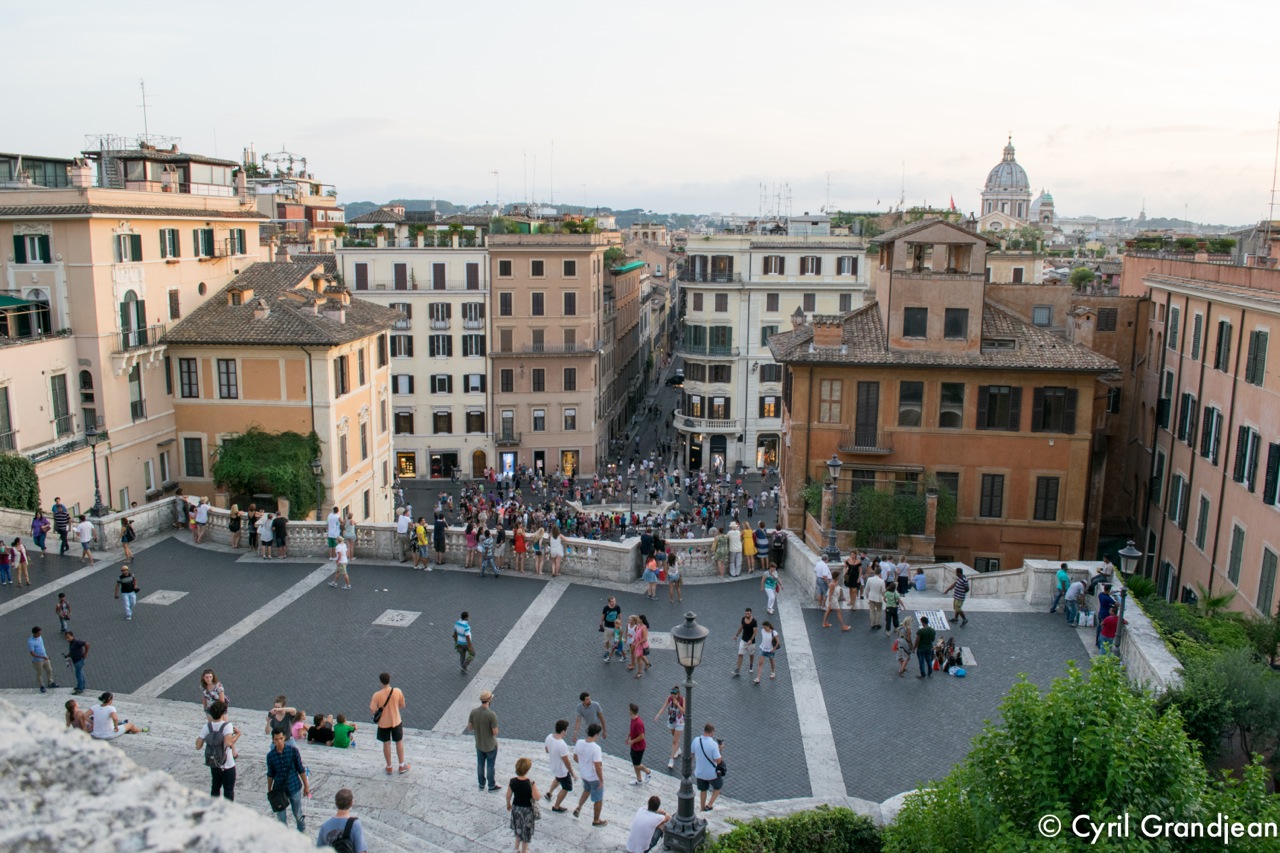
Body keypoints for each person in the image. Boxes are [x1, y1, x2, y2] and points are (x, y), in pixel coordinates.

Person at [196, 699, 240, 801]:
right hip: (227, 764)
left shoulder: (207, 726)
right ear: (223, 713)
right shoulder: (227, 726)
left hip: (214, 762)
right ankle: (227, 813)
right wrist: (238, 734)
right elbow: (229, 742)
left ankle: (213, 809)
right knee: (228, 790)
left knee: (215, 788)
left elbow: (198, 746)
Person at [265, 729, 309, 832]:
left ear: (284, 738)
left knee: (298, 814)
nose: (279, 741)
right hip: (279, 789)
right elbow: (270, 773)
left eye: (281, 738)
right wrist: (269, 789)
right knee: (281, 818)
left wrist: (306, 786)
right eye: (276, 739)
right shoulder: (271, 756)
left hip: (294, 786)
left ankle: (302, 831)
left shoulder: (293, 751)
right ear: (273, 740)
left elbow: (300, 769)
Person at [370, 672, 409, 775]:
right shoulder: (397, 691)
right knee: (399, 742)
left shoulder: (377, 695)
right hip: (396, 721)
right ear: (389, 680)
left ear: (380, 681)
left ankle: (389, 766)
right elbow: (402, 705)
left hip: (383, 723)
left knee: (386, 744)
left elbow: (373, 710)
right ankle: (401, 765)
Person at [572, 723, 607, 826]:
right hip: (594, 778)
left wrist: (584, 764)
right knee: (598, 799)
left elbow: (575, 758)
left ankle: (579, 807)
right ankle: (596, 820)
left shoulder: (579, 742)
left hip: (584, 775)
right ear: (596, 734)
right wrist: (601, 780)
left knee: (586, 790)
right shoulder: (596, 748)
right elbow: (598, 767)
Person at [505, 757, 541, 853]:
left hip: (516, 808)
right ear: (527, 770)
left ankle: (516, 847)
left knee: (518, 828)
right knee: (526, 831)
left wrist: (508, 804)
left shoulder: (512, 781)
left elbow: (508, 795)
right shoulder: (530, 783)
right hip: (527, 810)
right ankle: (524, 851)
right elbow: (537, 797)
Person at [466, 689, 500, 791]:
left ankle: (481, 783)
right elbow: (495, 732)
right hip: (490, 745)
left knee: (480, 765)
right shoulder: (491, 714)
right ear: (489, 700)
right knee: (490, 766)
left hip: (479, 744)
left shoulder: (474, 712)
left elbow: (469, 728)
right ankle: (491, 785)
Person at [316, 788, 367, 852]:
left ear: (336, 803)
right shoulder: (355, 825)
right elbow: (361, 850)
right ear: (351, 803)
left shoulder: (325, 825)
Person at [543, 719, 575, 812]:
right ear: (564, 731)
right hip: (562, 770)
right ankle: (556, 806)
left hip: (554, 766)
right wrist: (572, 772)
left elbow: (547, 750)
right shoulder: (562, 744)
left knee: (557, 778)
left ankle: (549, 793)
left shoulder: (549, 737)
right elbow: (566, 761)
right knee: (566, 787)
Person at [692, 724, 724, 812]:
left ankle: (702, 808)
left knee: (703, 790)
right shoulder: (713, 744)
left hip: (699, 772)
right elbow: (718, 760)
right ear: (712, 731)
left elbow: (692, 754)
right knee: (718, 787)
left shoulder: (696, 740)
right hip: (711, 774)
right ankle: (709, 805)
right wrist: (720, 749)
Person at [625, 703, 652, 785]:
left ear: (631, 711)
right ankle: (639, 780)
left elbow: (642, 736)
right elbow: (632, 730)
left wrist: (632, 741)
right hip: (634, 746)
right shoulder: (633, 719)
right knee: (635, 763)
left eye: (629, 709)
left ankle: (648, 771)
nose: (628, 711)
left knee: (637, 765)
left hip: (639, 747)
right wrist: (628, 736)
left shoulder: (638, 723)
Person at [29, 626, 58, 693]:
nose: (40, 634)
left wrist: (44, 656)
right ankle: (41, 686)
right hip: (38, 660)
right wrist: (41, 657)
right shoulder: (30, 642)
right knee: (40, 673)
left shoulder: (40, 637)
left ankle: (50, 682)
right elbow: (32, 653)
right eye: (39, 633)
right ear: (35, 633)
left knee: (49, 670)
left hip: (45, 657)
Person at [732, 608, 758, 677]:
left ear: (751, 613)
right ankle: (738, 669)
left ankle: (751, 665)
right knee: (740, 654)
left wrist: (751, 640)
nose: (747, 615)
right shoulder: (743, 619)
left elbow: (755, 632)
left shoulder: (754, 621)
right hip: (743, 640)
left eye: (748, 613)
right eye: (746, 613)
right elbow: (741, 627)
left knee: (751, 654)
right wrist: (737, 635)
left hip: (751, 642)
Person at [65, 630, 89, 695]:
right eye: (66, 638)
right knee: (80, 673)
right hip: (76, 660)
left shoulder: (77, 642)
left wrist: (85, 654)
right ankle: (82, 686)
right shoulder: (72, 643)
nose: (67, 639)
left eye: (68, 637)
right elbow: (72, 650)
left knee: (78, 674)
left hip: (79, 660)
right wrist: (68, 655)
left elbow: (87, 644)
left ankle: (80, 689)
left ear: (72, 636)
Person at [600, 596, 622, 662]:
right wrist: (601, 623)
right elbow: (603, 616)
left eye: (614, 601)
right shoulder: (606, 608)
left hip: (615, 627)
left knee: (617, 639)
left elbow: (620, 616)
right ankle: (607, 650)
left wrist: (620, 625)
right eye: (612, 601)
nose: (614, 602)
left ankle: (618, 650)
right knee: (606, 640)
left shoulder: (617, 607)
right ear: (609, 602)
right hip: (607, 626)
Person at [1096, 585, 1116, 650]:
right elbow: (1116, 604)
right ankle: (1099, 644)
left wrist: (1109, 594)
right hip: (1105, 615)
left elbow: (1105, 596)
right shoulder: (1108, 598)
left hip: (1100, 613)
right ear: (1109, 590)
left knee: (1099, 629)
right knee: (1102, 631)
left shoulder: (1100, 595)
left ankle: (1097, 642)